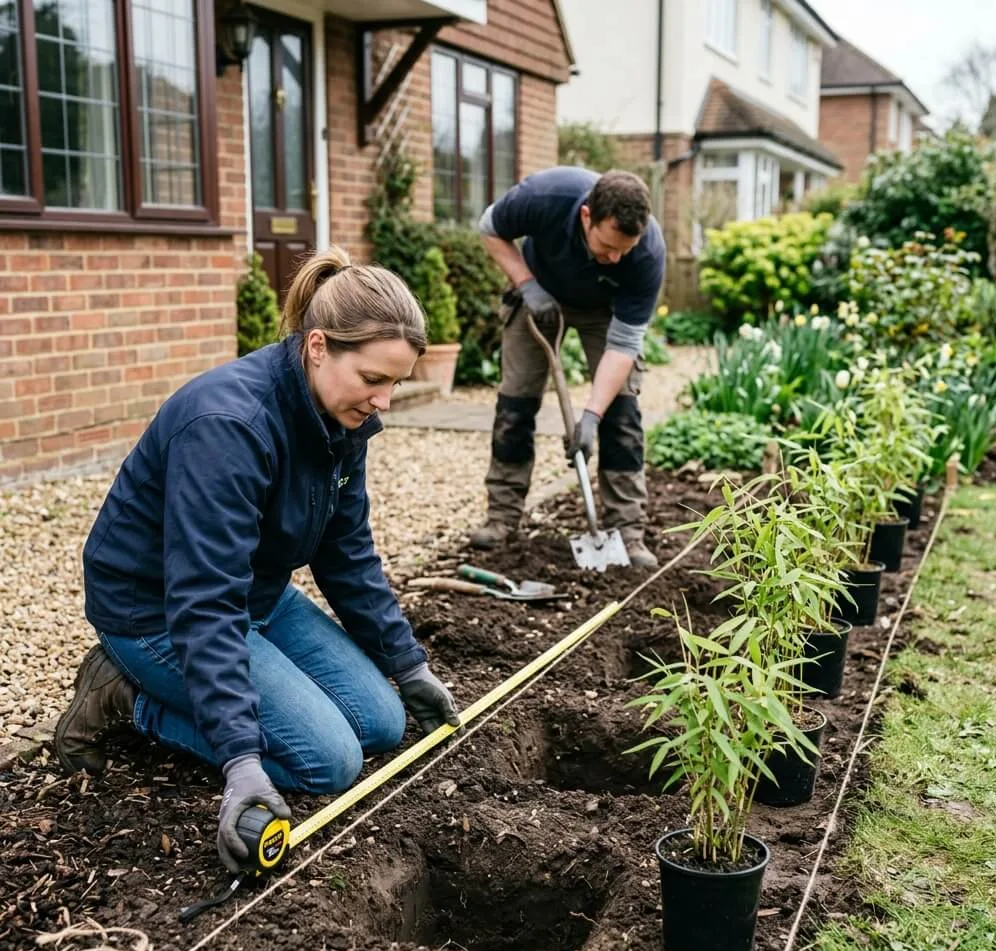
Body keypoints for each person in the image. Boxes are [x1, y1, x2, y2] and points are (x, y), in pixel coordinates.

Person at [54, 247, 461, 873]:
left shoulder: (342, 420)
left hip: (256, 594)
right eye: (374, 379)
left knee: (382, 724)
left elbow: (348, 552)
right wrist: (240, 761)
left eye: (396, 383)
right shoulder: (229, 425)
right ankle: (124, 697)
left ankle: (195, 696)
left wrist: (406, 664)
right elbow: (202, 599)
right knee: (327, 763)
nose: (384, 401)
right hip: (159, 611)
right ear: (319, 346)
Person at [469, 167, 666, 569]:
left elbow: (625, 343)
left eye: (623, 251)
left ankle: (627, 530)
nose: (614, 258)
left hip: (605, 312)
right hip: (537, 293)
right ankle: (502, 516)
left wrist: (591, 416)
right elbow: (490, 228)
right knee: (515, 405)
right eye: (607, 246)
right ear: (587, 217)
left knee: (621, 413)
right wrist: (527, 286)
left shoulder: (647, 251)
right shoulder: (546, 197)